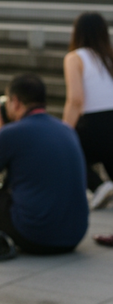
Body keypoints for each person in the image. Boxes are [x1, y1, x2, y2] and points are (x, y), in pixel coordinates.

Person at [0, 73, 87, 256]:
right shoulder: (66, 129)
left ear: (15, 102)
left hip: (38, 238)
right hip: (74, 236)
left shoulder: (10, 133)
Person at [63, 13, 113, 211]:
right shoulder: (110, 55)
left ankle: (98, 185)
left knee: (67, 153)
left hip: (92, 123)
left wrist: (65, 131)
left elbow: (75, 100)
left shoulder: (75, 58)